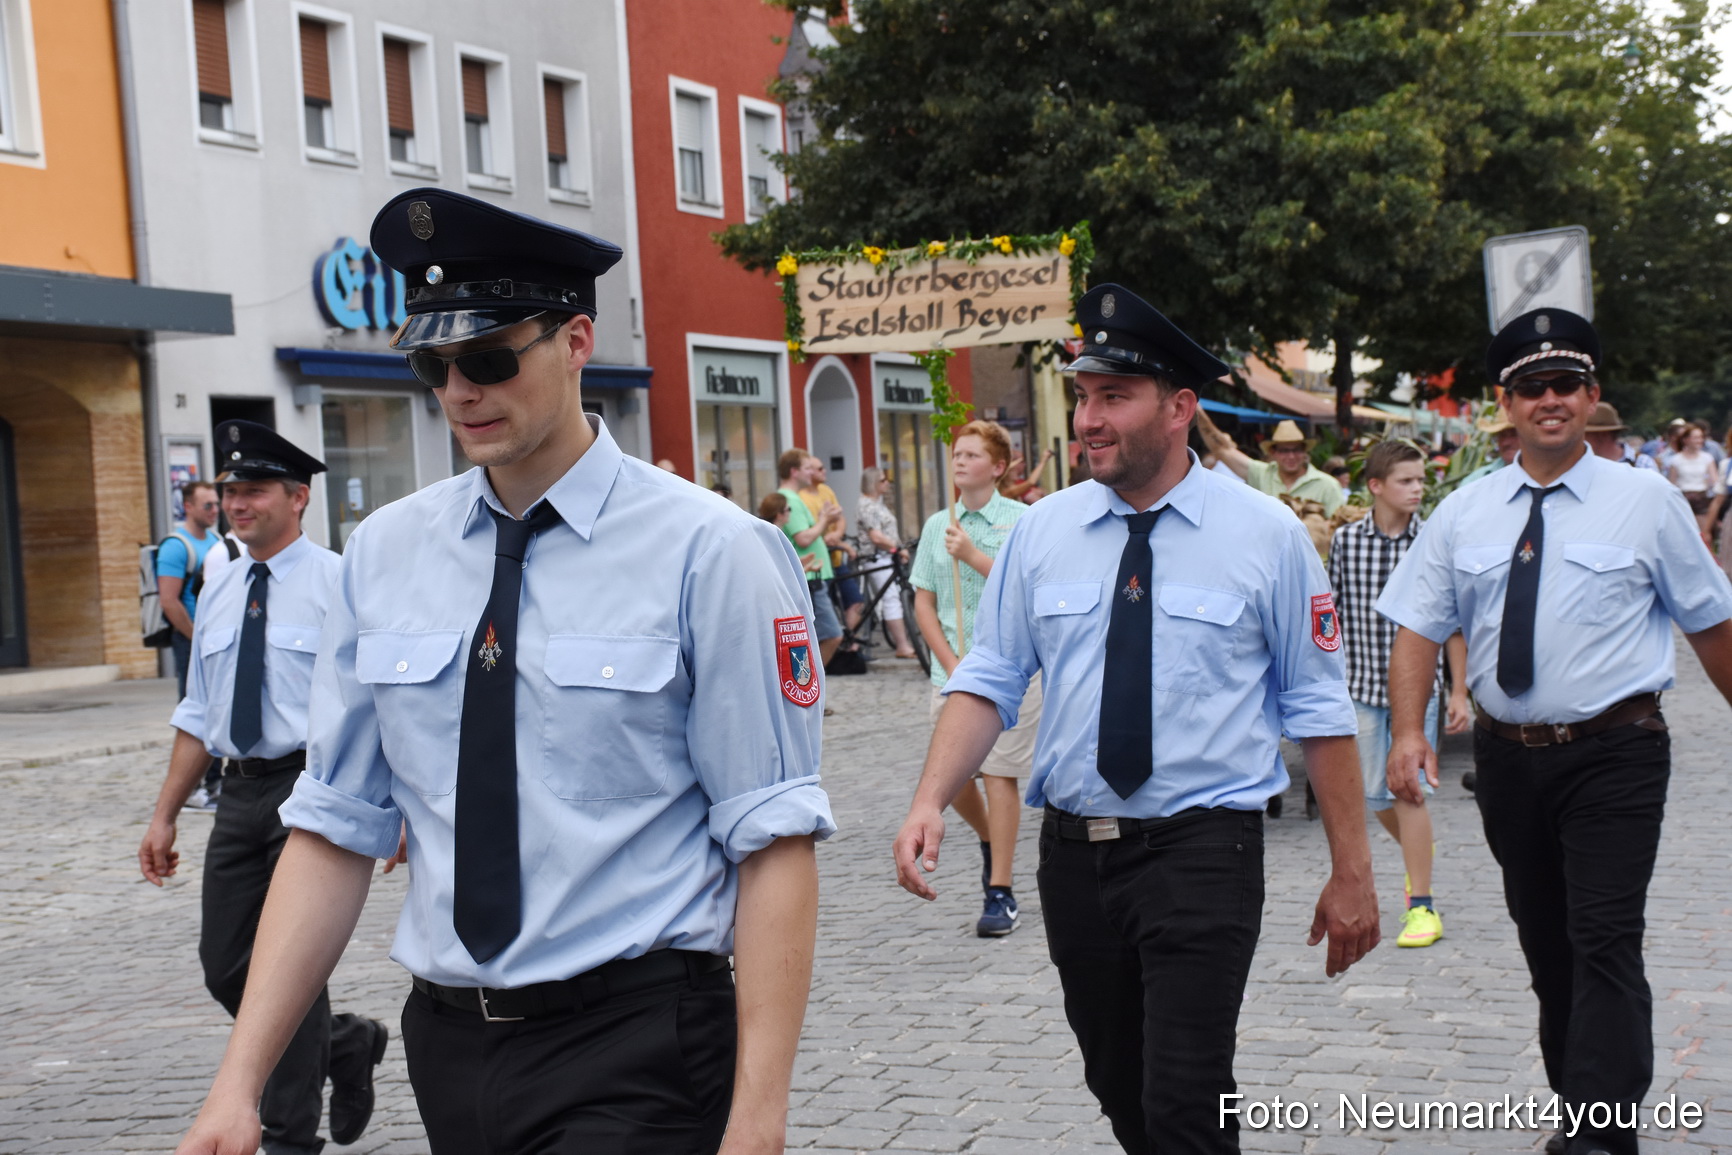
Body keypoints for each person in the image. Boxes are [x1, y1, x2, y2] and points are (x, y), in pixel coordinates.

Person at [171, 188, 835, 1155]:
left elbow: (772, 835)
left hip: (637, 1045)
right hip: (449, 1045)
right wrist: (239, 1082)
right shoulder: (388, 552)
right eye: (434, 365)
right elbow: (335, 827)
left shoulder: (713, 550)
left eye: (488, 358)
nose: (460, 392)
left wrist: (758, 1119)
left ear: (574, 340)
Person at [895, 284, 1378, 1154]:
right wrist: (933, 795)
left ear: (1180, 409)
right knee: (1120, 1085)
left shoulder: (1266, 536)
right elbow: (991, 676)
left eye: (1114, 396)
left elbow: (1319, 707)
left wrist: (1353, 870)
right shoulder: (1045, 532)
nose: (1088, 418)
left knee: (1187, 1098)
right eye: (1083, 396)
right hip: (1074, 856)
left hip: (1202, 851)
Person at [1379, 307, 1732, 1155]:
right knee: (1548, 943)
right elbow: (1419, 628)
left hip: (1617, 751)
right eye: (1531, 386)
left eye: (1565, 384)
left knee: (1603, 936)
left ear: (1591, 396)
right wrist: (1405, 733)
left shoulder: (1646, 502)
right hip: (1507, 759)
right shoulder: (1466, 510)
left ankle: (1601, 1138)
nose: (1549, 399)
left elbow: (1712, 626)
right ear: (1506, 401)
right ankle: (1578, 1109)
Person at [140, 422, 387, 1155]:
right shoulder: (217, 586)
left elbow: (378, 698)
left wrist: (394, 804)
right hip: (240, 794)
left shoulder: (339, 581)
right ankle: (344, 1041)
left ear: (299, 496)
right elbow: (198, 713)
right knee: (228, 964)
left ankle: (287, 1136)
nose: (235, 504)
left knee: (287, 961)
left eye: (252, 490)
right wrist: (163, 815)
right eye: (228, 491)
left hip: (312, 787)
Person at [1327, 440, 1468, 950]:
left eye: (1421, 481)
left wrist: (1459, 691)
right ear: (1376, 487)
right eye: (1406, 481)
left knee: (1408, 791)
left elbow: (1450, 625)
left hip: (1418, 692)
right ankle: (1419, 853)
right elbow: (1332, 616)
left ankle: (1421, 904)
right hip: (1360, 685)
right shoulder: (1346, 542)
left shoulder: (1431, 540)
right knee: (1373, 793)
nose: (1417, 490)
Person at [909, 421, 1044, 938]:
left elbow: (1027, 588)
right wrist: (948, 659)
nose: (960, 462)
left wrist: (973, 555)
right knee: (956, 777)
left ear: (998, 466)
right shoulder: (937, 524)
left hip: (1011, 670)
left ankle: (1001, 889)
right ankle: (991, 839)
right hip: (953, 670)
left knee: (1000, 774)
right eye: (956, 454)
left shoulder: (1023, 520)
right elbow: (924, 599)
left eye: (971, 454)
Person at [776, 448, 845, 665]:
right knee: (832, 635)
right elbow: (804, 538)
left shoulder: (793, 498)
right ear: (794, 471)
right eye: (807, 468)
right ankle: (811, 685)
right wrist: (824, 519)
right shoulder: (791, 500)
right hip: (810, 579)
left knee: (817, 636)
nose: (811, 473)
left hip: (813, 576)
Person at [158, 480, 222, 698]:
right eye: (207, 505)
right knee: (192, 702)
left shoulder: (216, 540)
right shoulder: (175, 546)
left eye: (216, 504)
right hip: (191, 637)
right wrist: (195, 638)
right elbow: (168, 601)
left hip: (215, 634)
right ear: (188, 507)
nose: (214, 510)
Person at [855, 468, 918, 658]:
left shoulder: (878, 504)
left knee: (902, 594)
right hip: (877, 558)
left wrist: (898, 547)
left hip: (888, 557)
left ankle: (908, 640)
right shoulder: (866, 505)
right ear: (873, 482)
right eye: (883, 480)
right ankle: (902, 645)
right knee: (890, 599)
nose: (887, 483)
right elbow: (876, 536)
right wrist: (897, 548)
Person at [801, 456, 864, 634]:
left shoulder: (826, 490)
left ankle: (849, 642)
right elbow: (812, 529)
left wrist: (836, 534)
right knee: (825, 612)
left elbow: (840, 518)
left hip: (835, 558)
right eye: (820, 468)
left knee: (855, 601)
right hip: (820, 561)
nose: (824, 471)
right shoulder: (802, 498)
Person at [1667, 421, 1720, 534]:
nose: (1699, 440)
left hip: (1701, 499)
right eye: (1695, 437)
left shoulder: (1707, 458)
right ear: (1686, 440)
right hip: (1682, 499)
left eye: (1701, 437)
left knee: (1704, 534)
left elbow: (1714, 481)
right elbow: (1671, 484)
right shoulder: (1676, 460)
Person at [1584, 404, 1658, 470]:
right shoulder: (1583, 465)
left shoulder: (1642, 464)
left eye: (1586, 434)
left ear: (1603, 434)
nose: (1582, 440)